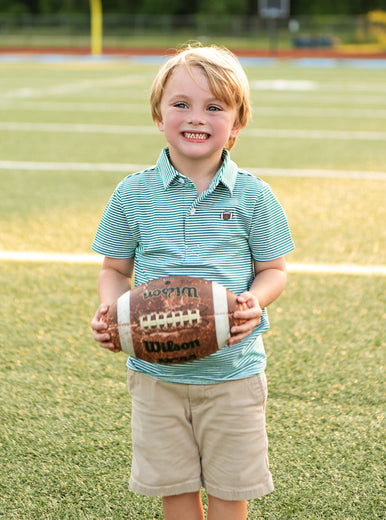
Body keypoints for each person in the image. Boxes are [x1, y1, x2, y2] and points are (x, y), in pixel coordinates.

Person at [90, 43, 294, 520]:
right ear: (159, 116)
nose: (195, 117)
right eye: (180, 104)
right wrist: (111, 312)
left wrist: (254, 301)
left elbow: (274, 270)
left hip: (233, 376)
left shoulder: (254, 196)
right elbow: (114, 270)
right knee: (175, 488)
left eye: (214, 106)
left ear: (238, 121)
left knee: (229, 489)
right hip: (155, 377)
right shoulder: (132, 193)